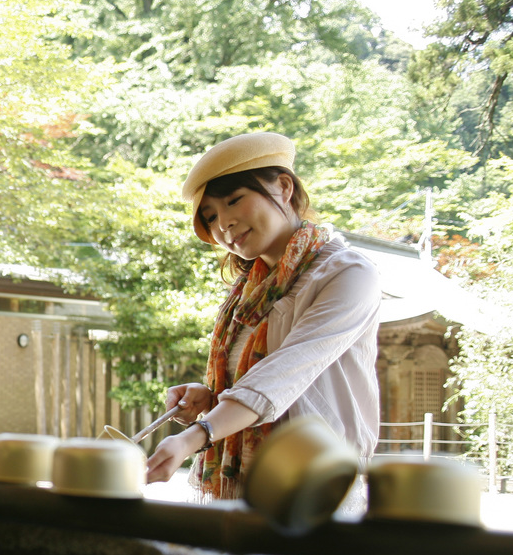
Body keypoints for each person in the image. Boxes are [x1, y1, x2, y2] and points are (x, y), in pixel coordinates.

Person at [145, 131, 380, 500]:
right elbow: (253, 379)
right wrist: (211, 396)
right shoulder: (247, 294)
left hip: (315, 489)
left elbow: (282, 374)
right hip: (244, 490)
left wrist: (197, 435)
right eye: (210, 217)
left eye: (234, 200)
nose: (224, 225)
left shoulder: (347, 273)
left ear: (284, 187)